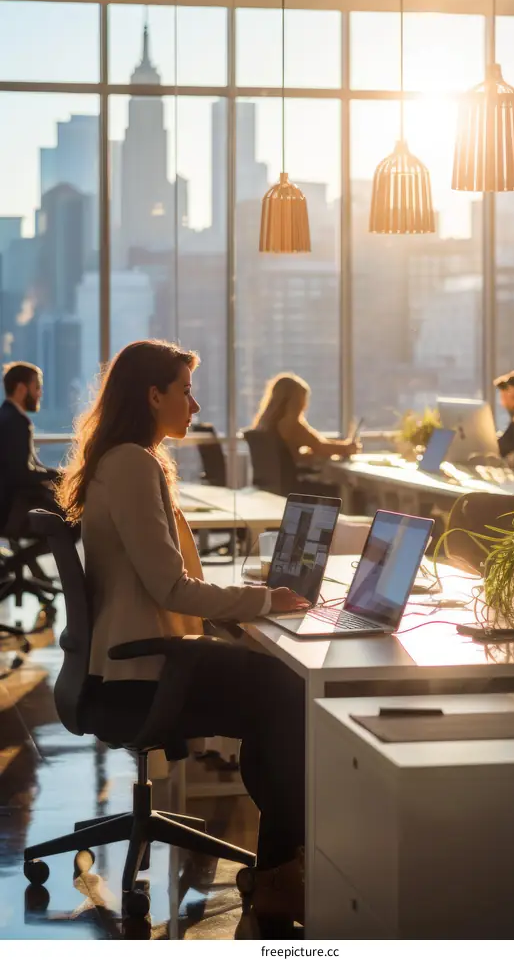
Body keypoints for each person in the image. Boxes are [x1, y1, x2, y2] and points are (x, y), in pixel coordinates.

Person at [57, 340, 308, 925]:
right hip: (141, 675)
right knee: (286, 692)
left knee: (273, 688)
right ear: (153, 395)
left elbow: (165, 579)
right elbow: (172, 590)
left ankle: (282, 865)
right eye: (186, 390)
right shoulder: (131, 464)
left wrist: (246, 604)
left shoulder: (121, 460)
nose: (194, 405)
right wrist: (266, 599)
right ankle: (279, 874)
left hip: (122, 666)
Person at [0, 361, 60, 532]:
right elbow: (21, 473)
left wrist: (55, 474)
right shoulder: (16, 422)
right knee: (68, 523)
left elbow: (29, 466)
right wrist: (57, 476)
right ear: (21, 389)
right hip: (11, 509)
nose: (39, 393)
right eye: (37, 387)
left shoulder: (5, 416)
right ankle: (15, 561)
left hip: (8, 503)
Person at [252, 372, 359, 462]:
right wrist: (347, 448)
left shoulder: (264, 425)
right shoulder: (291, 426)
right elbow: (320, 446)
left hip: (272, 485)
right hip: (295, 484)